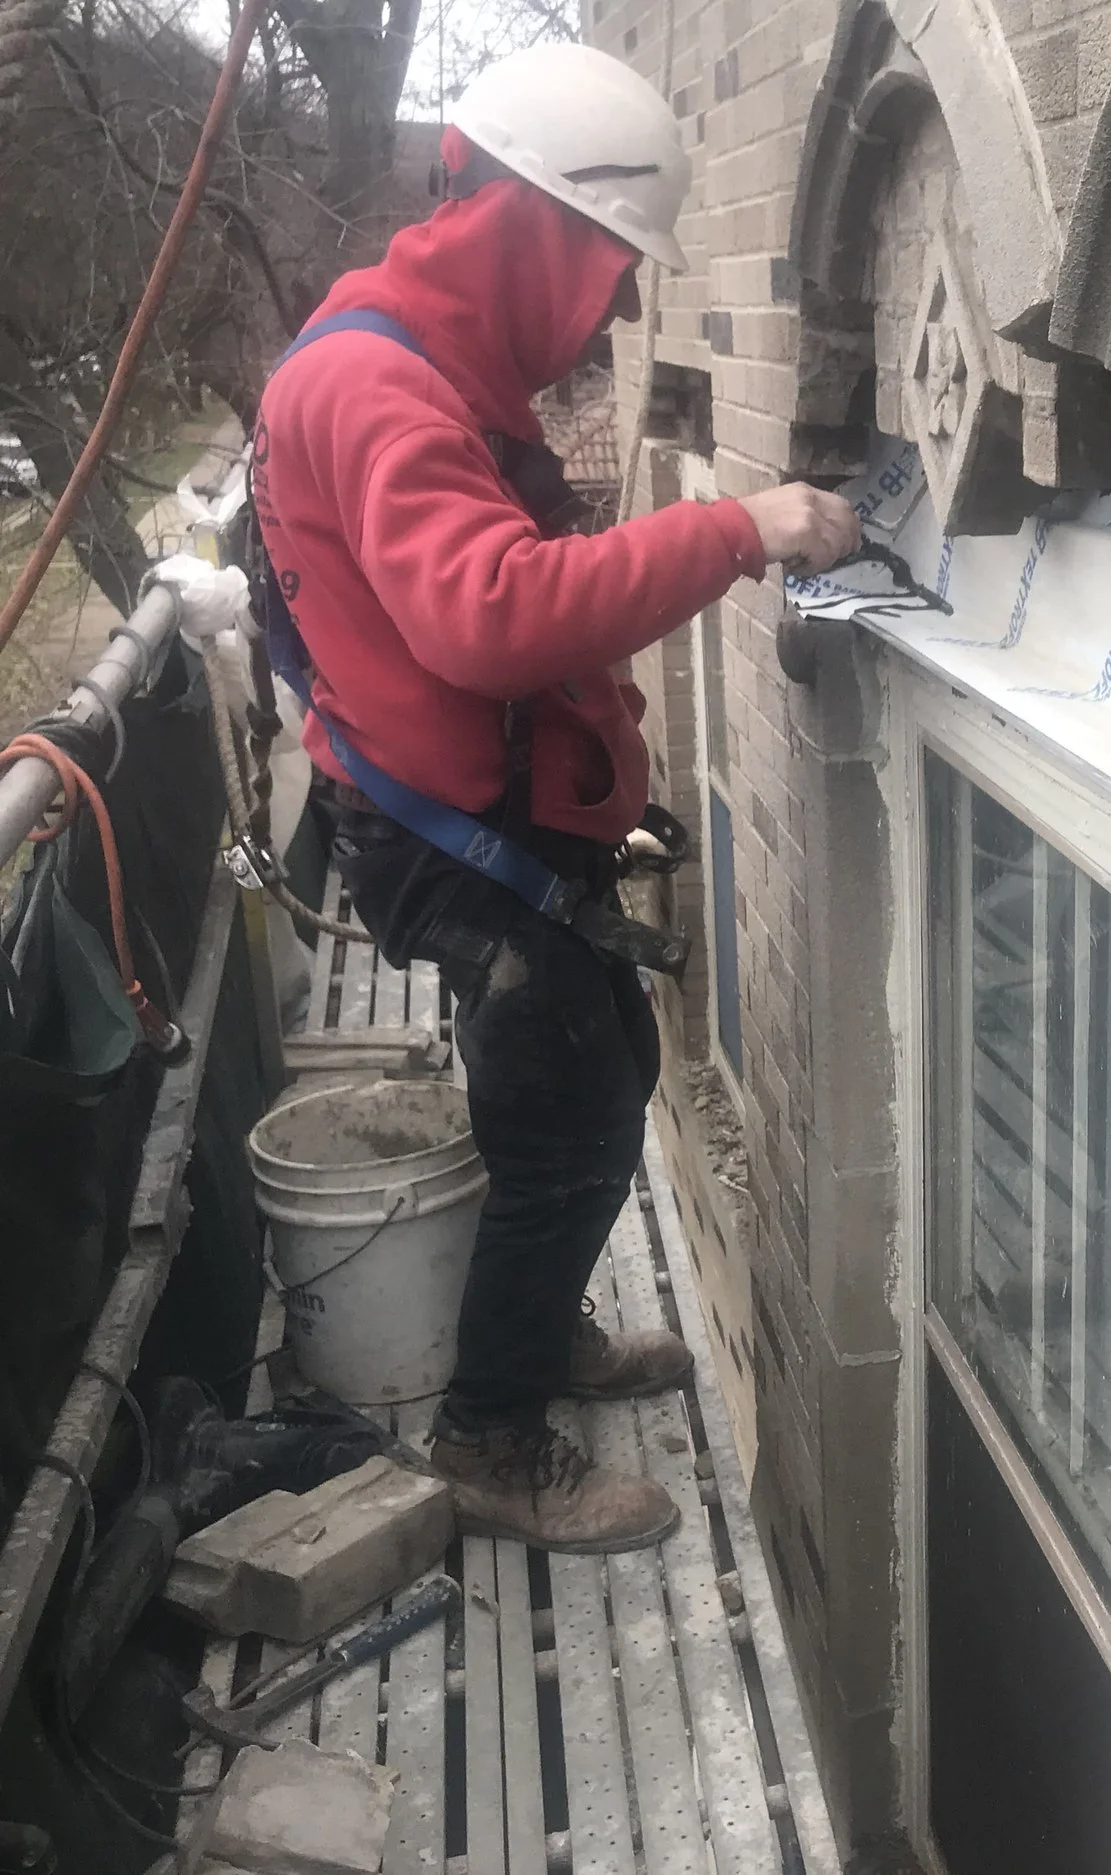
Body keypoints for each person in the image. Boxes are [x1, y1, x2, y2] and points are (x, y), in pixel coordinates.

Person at [251, 43, 860, 1553]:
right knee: (572, 1116)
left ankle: (535, 1335)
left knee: (596, 1079)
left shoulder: (416, 357)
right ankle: (488, 1438)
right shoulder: (382, 389)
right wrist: (738, 527)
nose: (627, 313)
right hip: (455, 841)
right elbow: (490, 615)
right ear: (546, 232)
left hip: (465, 819)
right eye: (621, 270)